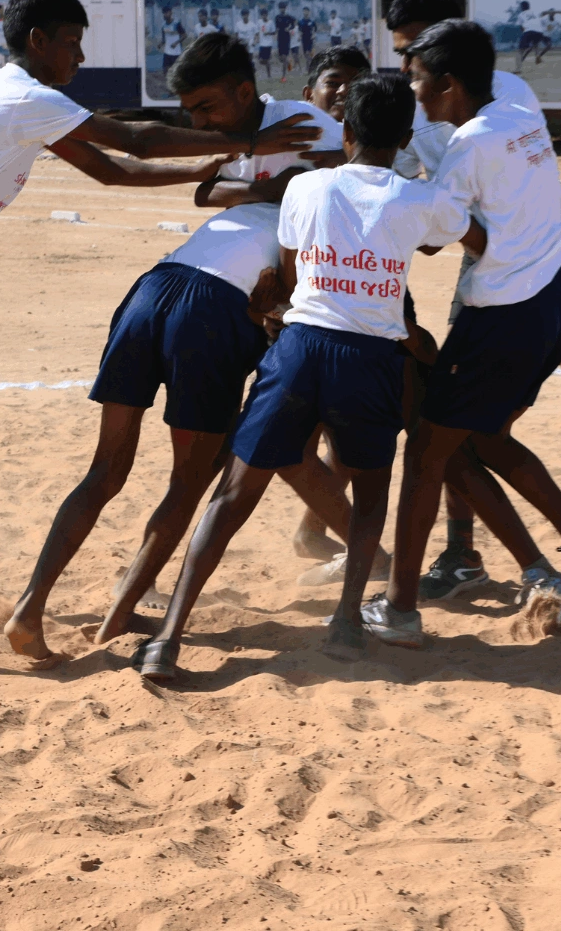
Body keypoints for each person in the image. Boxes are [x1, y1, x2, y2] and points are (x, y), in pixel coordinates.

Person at [0, 0, 324, 662]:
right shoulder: (24, 96)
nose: (80, 57)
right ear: (38, 41)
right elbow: (133, 139)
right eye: (71, 42)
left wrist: (208, 169)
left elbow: (112, 172)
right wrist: (247, 137)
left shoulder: (24, 103)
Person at [6, 31, 347, 662]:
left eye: (206, 109)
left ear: (244, 91)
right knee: (188, 483)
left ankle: (31, 610)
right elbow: (211, 192)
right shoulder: (260, 140)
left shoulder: (310, 130)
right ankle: (117, 614)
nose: (198, 125)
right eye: (189, 113)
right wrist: (276, 195)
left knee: (107, 471)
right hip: (211, 307)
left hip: (156, 288)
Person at [130, 74, 484, 679]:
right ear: (404, 139)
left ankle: (168, 637)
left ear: (344, 134)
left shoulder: (306, 186)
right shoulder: (418, 200)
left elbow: (292, 277)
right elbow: (466, 237)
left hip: (299, 347)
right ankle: (347, 620)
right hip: (370, 358)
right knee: (370, 495)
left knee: (234, 493)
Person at [386, 0, 561, 592]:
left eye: (411, 53)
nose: (403, 68)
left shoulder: (501, 99)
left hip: (534, 252)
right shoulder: (444, 106)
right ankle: (464, 550)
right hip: (499, 258)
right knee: (469, 423)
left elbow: (450, 213)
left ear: (446, 58)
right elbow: (405, 178)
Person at [361, 20, 561, 649]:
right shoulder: (520, 116)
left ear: (449, 84)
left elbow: (437, 233)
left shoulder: (469, 145)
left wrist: (383, 201)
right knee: (480, 436)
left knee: (426, 450)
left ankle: (398, 607)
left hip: (502, 313)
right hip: (551, 302)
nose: (413, 94)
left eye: (418, 81)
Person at [516, 1, 551, 67]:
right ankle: (537, 56)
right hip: (539, 31)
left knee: (521, 49)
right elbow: (543, 21)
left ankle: (518, 68)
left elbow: (521, 27)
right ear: (529, 7)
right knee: (535, 44)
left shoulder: (521, 14)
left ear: (522, 7)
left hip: (529, 31)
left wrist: (525, 35)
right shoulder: (535, 12)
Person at [160, 5, 186, 82]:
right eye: (164, 13)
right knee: (165, 70)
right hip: (167, 52)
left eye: (167, 12)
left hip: (176, 52)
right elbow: (164, 39)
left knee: (177, 71)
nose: (165, 14)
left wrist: (176, 43)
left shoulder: (177, 23)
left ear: (171, 13)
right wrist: (161, 44)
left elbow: (184, 35)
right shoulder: (163, 25)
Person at [275, 1, 296, 77]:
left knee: (284, 57)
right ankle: (289, 63)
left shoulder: (288, 17)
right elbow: (276, 28)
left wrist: (289, 28)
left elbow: (294, 24)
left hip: (286, 37)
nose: (282, 9)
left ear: (285, 8)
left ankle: (283, 75)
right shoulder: (277, 17)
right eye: (281, 8)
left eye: (283, 8)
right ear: (279, 9)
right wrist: (275, 35)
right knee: (281, 58)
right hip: (280, 38)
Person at [256, 5, 276, 78]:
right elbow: (257, 31)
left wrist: (268, 33)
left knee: (266, 59)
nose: (264, 16)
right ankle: (269, 64)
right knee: (260, 60)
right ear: (261, 16)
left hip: (268, 44)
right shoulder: (259, 22)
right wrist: (257, 38)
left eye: (265, 15)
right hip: (262, 44)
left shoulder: (270, 22)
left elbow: (274, 32)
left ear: (267, 15)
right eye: (262, 15)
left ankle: (269, 75)